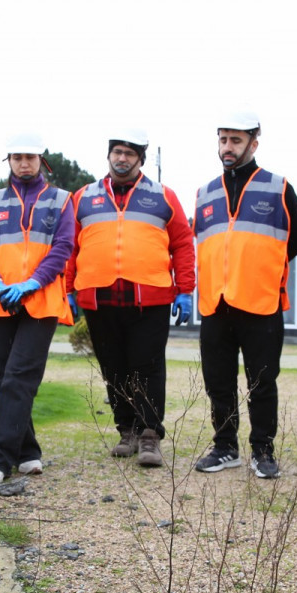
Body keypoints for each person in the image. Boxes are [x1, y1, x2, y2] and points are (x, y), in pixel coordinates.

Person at [66, 128, 196, 467]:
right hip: (99, 299)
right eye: (117, 152)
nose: (122, 159)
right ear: (109, 155)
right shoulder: (83, 197)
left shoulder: (164, 196)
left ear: (141, 159)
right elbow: (70, 246)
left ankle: (150, 434)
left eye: (129, 153)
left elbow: (183, 243)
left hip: (150, 299)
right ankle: (127, 431)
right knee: (114, 368)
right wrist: (68, 289)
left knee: (147, 367)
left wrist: (185, 290)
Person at [193, 112, 297, 480]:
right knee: (218, 382)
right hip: (216, 304)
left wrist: (262, 269)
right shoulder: (205, 193)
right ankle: (225, 447)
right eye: (223, 139)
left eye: (236, 140)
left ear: (253, 143)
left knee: (262, 382)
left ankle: (263, 450)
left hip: (260, 303)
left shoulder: (278, 187)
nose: (228, 147)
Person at [0, 133, 75, 488]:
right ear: (9, 161)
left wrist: (32, 282)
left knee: (19, 376)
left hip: (41, 299)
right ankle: (27, 450)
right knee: (7, 378)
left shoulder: (61, 200)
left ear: (41, 160)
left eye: (30, 157)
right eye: (17, 157)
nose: (24, 163)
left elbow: (63, 246)